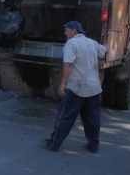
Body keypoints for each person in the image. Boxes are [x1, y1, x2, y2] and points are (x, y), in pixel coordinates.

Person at [44, 20, 107, 152]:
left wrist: (62, 84)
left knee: (65, 116)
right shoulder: (93, 43)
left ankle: (54, 143)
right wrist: (98, 65)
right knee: (92, 118)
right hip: (93, 87)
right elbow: (103, 52)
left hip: (77, 87)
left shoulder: (71, 43)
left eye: (67, 30)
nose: (65, 33)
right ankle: (93, 145)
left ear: (74, 31)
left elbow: (68, 64)